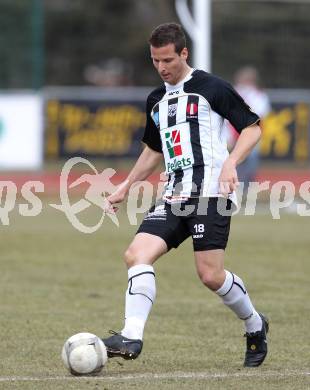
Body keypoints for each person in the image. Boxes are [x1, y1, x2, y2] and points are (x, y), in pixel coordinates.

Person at [102, 23, 269, 368]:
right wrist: (126, 185)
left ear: (183, 53)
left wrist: (231, 163)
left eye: (167, 60)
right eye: (155, 61)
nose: (162, 68)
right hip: (175, 195)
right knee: (136, 255)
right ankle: (132, 335)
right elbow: (153, 150)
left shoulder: (212, 88)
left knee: (210, 275)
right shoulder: (156, 100)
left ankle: (255, 324)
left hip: (211, 193)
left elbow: (253, 128)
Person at [228, 66, 271, 192]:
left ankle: (246, 191)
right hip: (234, 134)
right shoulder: (233, 93)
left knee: (250, 164)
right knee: (235, 163)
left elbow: (260, 115)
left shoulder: (258, 95)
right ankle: (236, 190)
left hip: (250, 134)